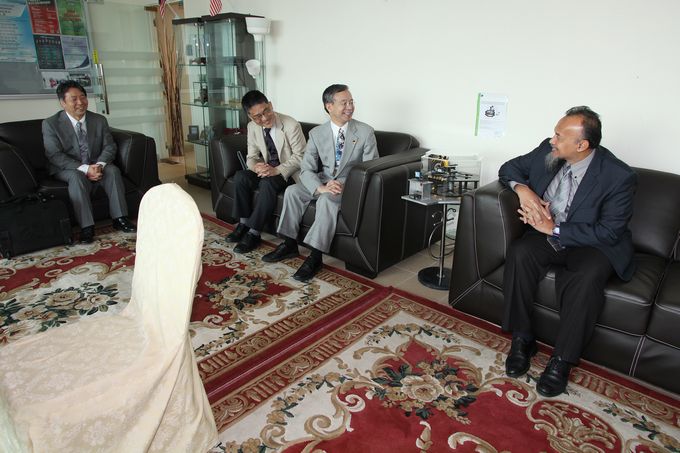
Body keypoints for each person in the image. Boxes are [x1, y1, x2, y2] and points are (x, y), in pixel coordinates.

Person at [499, 106, 636, 397]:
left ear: (582, 145)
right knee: (520, 253)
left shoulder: (618, 175)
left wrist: (554, 229)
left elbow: (609, 231)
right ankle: (523, 339)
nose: (553, 140)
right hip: (548, 234)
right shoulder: (547, 151)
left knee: (585, 278)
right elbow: (508, 168)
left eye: (560, 136)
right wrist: (523, 189)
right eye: (555, 133)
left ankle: (562, 359)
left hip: (593, 244)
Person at [262, 84, 378, 282]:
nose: (350, 107)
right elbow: (306, 168)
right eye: (344, 103)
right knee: (292, 191)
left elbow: (370, 168)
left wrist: (343, 186)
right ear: (329, 106)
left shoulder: (365, 132)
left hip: (349, 184)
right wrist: (320, 187)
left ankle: (315, 257)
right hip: (323, 180)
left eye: (351, 102)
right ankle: (289, 244)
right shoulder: (317, 133)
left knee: (326, 200)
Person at [42, 80, 136, 243]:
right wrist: (85, 169)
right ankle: (87, 227)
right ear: (63, 103)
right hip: (68, 167)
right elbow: (54, 155)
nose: (80, 102)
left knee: (113, 171)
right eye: (74, 99)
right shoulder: (51, 124)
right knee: (76, 177)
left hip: (96, 163)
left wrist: (99, 165)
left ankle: (120, 218)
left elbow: (109, 146)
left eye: (83, 97)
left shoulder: (98, 120)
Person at [226, 90, 307, 253]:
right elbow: (251, 157)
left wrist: (276, 170)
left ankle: (254, 233)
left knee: (267, 183)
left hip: (289, 172)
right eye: (257, 117)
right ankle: (243, 223)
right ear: (250, 117)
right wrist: (257, 167)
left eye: (266, 111)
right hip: (268, 169)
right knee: (241, 176)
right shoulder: (252, 127)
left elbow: (301, 157)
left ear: (270, 105)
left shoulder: (291, 125)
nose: (264, 118)